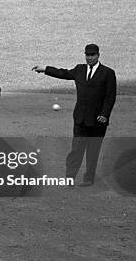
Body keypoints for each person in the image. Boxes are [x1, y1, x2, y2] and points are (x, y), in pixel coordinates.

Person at [32, 43, 117, 186]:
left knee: (93, 151)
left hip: (98, 120)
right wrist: (45, 69)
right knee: (76, 149)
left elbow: (110, 96)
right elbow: (64, 73)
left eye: (92, 55)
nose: (89, 58)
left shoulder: (108, 73)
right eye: (87, 55)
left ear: (98, 55)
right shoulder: (80, 69)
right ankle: (69, 178)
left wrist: (105, 114)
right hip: (81, 118)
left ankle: (88, 179)